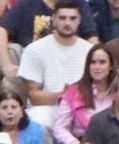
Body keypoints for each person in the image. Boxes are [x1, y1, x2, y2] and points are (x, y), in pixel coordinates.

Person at [17, 0, 93, 128]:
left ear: (79, 20)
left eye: (72, 18)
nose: (67, 23)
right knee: (38, 122)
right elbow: (34, 95)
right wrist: (64, 96)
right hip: (48, 108)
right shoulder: (34, 49)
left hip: (82, 107)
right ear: (54, 19)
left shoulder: (90, 51)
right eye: (62, 18)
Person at [53, 45, 114, 144]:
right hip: (81, 143)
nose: (97, 67)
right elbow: (59, 128)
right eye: (93, 62)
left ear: (111, 67)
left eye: (102, 62)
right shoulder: (73, 92)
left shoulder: (118, 93)